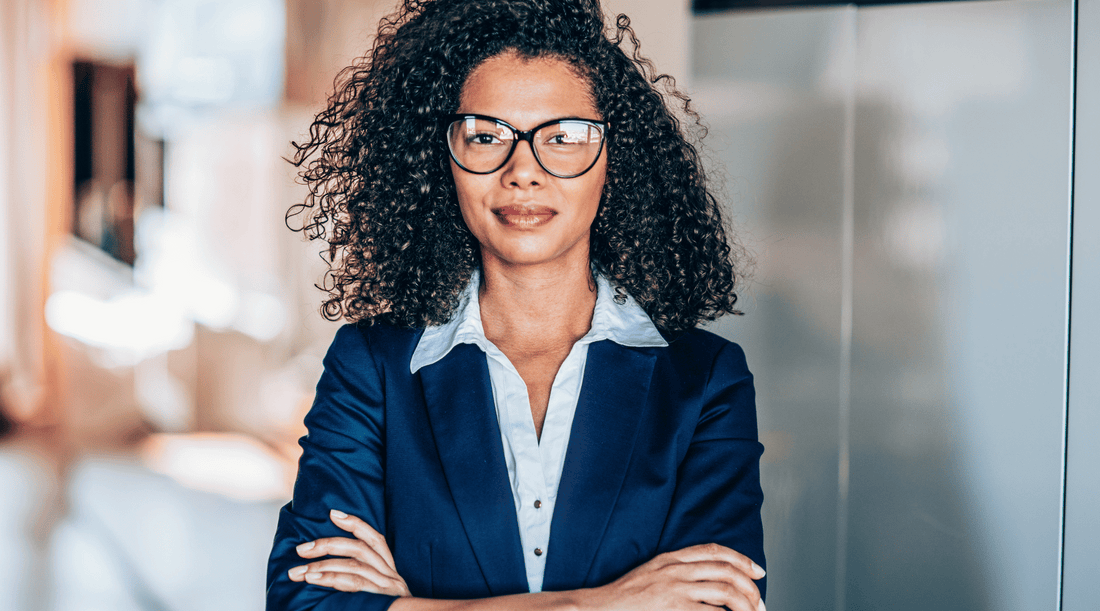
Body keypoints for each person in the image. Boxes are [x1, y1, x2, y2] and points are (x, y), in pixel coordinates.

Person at [266, 1, 766, 610]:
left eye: (563, 137)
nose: (523, 171)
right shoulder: (373, 365)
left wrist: (410, 607)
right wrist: (602, 603)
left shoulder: (704, 380)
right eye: (485, 136)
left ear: (615, 158)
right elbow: (307, 604)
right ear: (439, 158)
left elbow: (719, 603)